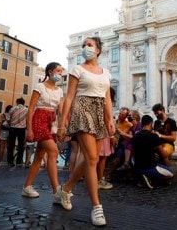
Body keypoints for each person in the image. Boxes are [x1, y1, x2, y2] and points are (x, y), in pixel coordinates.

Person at [57, 36, 115, 226]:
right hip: (82, 110)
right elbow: (69, 97)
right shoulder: (77, 69)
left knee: (93, 159)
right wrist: (62, 123)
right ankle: (97, 207)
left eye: (89, 45)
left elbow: (107, 98)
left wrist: (110, 119)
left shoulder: (106, 72)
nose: (85, 48)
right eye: (83, 45)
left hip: (99, 112)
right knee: (91, 158)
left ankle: (65, 189)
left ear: (98, 50)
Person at [22, 62, 65, 201]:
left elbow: (62, 111)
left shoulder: (60, 91)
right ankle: (56, 191)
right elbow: (31, 108)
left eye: (61, 71)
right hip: (39, 119)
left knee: (40, 155)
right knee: (53, 152)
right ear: (50, 71)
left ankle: (27, 187)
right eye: (58, 71)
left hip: (51, 122)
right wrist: (29, 129)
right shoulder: (39, 86)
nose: (61, 74)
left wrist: (62, 127)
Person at [132, 115, 174, 189]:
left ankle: (142, 177)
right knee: (171, 174)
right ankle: (149, 177)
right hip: (149, 167)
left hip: (137, 167)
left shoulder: (135, 136)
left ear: (142, 124)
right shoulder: (154, 136)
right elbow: (163, 154)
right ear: (151, 124)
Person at [7, 98, 28, 167]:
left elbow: (8, 118)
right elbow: (28, 119)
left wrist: (11, 123)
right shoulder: (26, 109)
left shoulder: (12, 109)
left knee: (11, 145)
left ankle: (10, 161)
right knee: (21, 146)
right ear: (23, 103)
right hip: (22, 129)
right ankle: (19, 161)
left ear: (17, 102)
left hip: (13, 128)